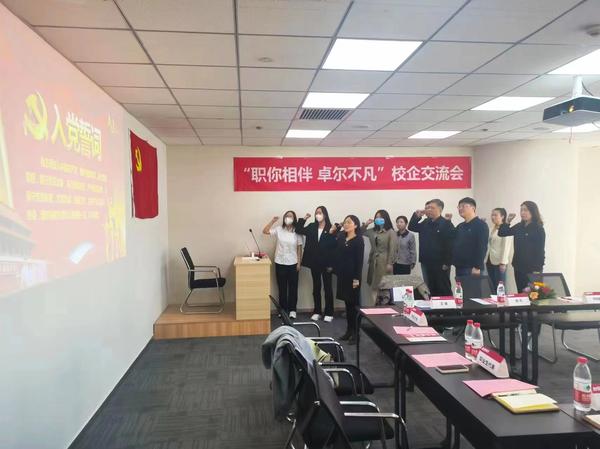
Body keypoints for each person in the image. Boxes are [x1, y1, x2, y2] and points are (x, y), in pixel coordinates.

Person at [295, 206, 337, 322]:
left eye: (320, 213)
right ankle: (317, 311)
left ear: (325, 215)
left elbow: (334, 246)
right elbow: (298, 229)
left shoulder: (331, 227)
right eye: (316, 213)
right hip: (314, 262)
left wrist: (332, 233)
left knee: (328, 288)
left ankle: (329, 312)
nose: (318, 215)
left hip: (327, 262)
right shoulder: (312, 226)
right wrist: (304, 218)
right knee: (316, 287)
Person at [408, 199, 455, 296]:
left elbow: (450, 244)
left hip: (440, 263)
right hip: (425, 261)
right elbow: (412, 227)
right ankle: (432, 305)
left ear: (440, 209)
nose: (428, 210)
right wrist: (417, 216)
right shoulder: (426, 222)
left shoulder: (446, 223)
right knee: (429, 287)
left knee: (443, 288)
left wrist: (447, 262)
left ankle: (446, 305)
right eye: (427, 208)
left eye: (432, 208)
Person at [263, 211, 304, 318]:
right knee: (282, 288)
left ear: (294, 219)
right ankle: (283, 310)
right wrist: (273, 221)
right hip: (280, 262)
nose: (288, 218)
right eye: (286, 216)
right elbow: (265, 231)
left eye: (290, 216)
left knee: (293, 288)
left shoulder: (297, 231)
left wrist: (299, 263)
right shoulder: (279, 229)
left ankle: (292, 310)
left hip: (293, 263)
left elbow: (299, 248)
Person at [498, 201, 545, 293]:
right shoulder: (519, 226)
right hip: (518, 266)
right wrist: (507, 221)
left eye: (526, 210)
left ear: (533, 211)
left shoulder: (538, 228)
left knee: (534, 295)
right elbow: (502, 233)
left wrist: (537, 270)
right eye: (521, 210)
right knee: (521, 293)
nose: (522, 213)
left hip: (533, 269)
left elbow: (540, 251)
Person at [331, 215, 364, 344]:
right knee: (347, 305)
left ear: (355, 225)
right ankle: (349, 331)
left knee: (354, 306)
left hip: (353, 277)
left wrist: (356, 279)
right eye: (345, 222)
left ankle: (356, 333)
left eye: (349, 222)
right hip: (343, 276)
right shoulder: (341, 237)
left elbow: (359, 262)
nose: (346, 224)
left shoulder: (358, 240)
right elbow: (335, 246)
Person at [361, 210, 396, 306]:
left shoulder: (390, 232)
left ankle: (384, 307)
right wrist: (366, 224)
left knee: (384, 286)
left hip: (384, 261)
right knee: (374, 285)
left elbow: (393, 249)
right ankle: (374, 307)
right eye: (376, 217)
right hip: (373, 261)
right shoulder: (372, 231)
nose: (378, 219)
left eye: (380, 217)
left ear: (385, 218)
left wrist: (390, 263)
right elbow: (360, 232)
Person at [451, 197, 489, 277]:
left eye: (463, 206)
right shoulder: (460, 226)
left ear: (473, 208)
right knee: (461, 286)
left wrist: (477, 267)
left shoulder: (481, 225)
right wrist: (448, 222)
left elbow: (482, 247)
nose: (460, 209)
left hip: (472, 268)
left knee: (472, 286)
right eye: (459, 207)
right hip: (460, 266)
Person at [486, 208, 513, 291]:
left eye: (495, 215)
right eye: (492, 215)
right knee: (491, 286)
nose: (493, 217)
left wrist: (503, 263)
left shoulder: (505, 229)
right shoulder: (491, 229)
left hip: (499, 262)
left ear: (502, 216)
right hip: (489, 260)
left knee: (500, 287)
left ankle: (501, 300)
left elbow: (506, 247)